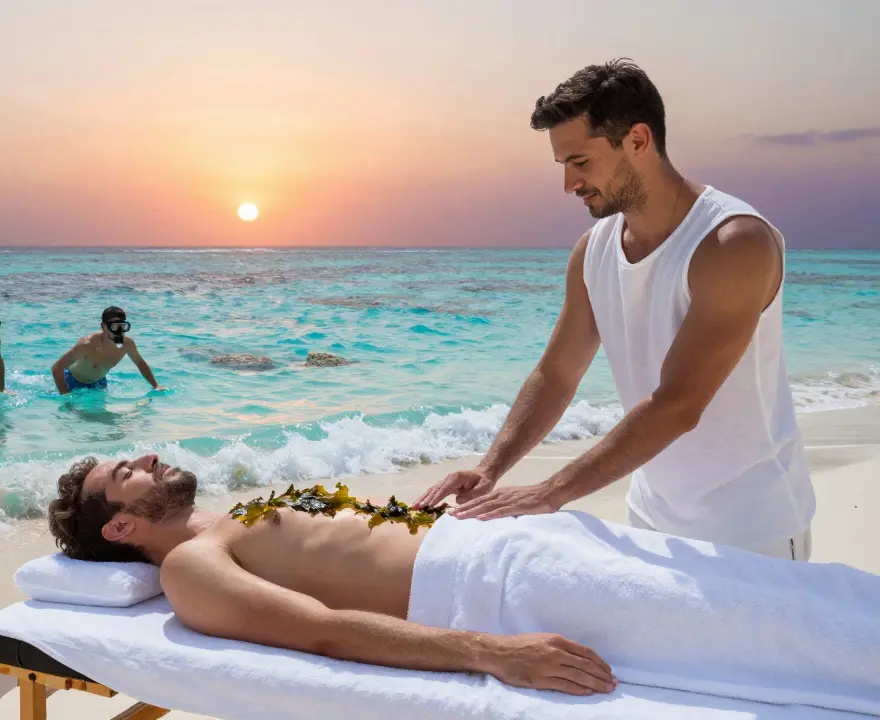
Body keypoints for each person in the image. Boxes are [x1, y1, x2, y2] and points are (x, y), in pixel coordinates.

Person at [45, 454, 879, 703]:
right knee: (751, 619)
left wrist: (435, 503)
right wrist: (488, 652)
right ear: (121, 527)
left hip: (512, 543)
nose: (147, 457)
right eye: (126, 472)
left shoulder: (226, 524)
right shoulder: (192, 568)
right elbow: (317, 630)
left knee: (761, 594)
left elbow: (353, 543)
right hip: (498, 590)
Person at [413, 59, 814, 560]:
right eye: (563, 166)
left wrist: (550, 493)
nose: (569, 184)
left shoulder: (732, 243)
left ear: (638, 141)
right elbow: (556, 374)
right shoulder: (594, 250)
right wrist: (491, 467)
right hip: (650, 518)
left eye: (580, 162)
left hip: (753, 529)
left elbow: (678, 404)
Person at [51, 306, 162, 395]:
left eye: (122, 326)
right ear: (104, 326)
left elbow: (140, 364)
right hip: (73, 382)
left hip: (99, 383)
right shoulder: (87, 344)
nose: (119, 331)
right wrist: (66, 396)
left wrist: (156, 386)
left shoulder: (128, 344)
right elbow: (57, 368)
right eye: (114, 327)